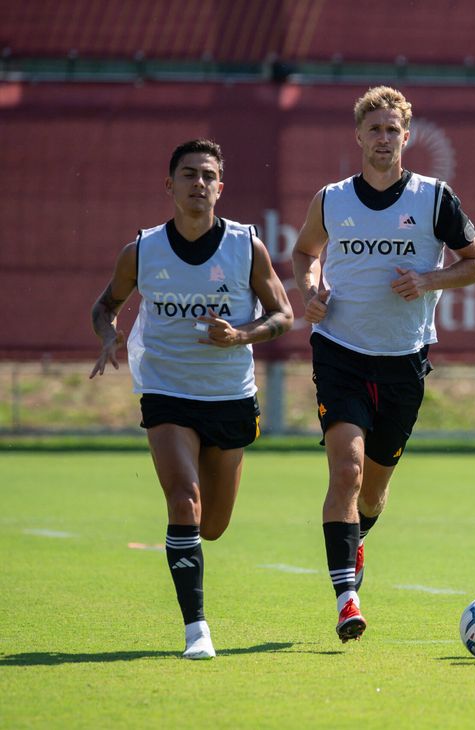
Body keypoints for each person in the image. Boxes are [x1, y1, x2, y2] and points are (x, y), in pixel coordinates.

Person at [291, 86, 475, 643]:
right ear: (358, 136)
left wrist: (428, 279)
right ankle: (347, 601)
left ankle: (355, 542)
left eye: (392, 129)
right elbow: (305, 252)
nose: (383, 138)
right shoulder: (331, 200)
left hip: (404, 361)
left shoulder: (434, 198)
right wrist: (311, 289)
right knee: (347, 472)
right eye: (373, 129)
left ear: (407, 136)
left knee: (373, 492)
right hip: (340, 352)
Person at [90, 139, 294, 659]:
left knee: (212, 525)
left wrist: (241, 335)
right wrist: (109, 334)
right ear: (170, 185)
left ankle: (192, 546)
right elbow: (104, 305)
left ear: (220, 188)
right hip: (166, 389)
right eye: (188, 174)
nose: (198, 183)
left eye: (207, 175)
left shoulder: (246, 247)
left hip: (228, 395)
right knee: (183, 500)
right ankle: (196, 629)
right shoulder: (142, 250)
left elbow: (283, 315)